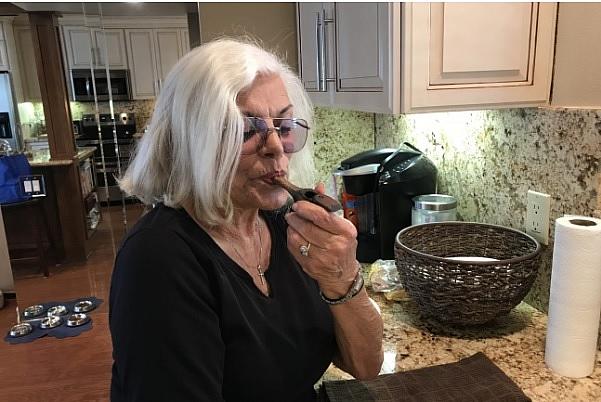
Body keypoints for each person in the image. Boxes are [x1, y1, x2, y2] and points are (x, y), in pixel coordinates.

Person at [109, 38, 383, 402]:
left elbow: (365, 366)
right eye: (244, 130)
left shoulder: (291, 226)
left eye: (284, 126)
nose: (275, 147)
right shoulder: (158, 259)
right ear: (192, 142)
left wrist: (342, 275)